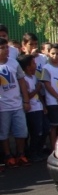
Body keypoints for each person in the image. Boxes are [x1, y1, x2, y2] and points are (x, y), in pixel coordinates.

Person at [0, 38, 31, 171]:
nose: (6, 50)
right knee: (4, 133)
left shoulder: (13, 63)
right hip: (2, 106)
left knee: (21, 131)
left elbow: (22, 82)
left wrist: (26, 100)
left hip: (17, 104)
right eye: (3, 48)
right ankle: (8, 156)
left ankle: (20, 154)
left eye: (7, 47)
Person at [19, 55, 46, 161]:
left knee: (45, 129)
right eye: (33, 63)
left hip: (39, 107)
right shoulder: (24, 79)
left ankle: (39, 151)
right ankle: (32, 153)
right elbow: (28, 95)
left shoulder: (34, 77)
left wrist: (43, 106)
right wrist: (37, 88)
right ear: (27, 67)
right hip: (32, 110)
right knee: (36, 131)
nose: (35, 65)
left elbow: (38, 94)